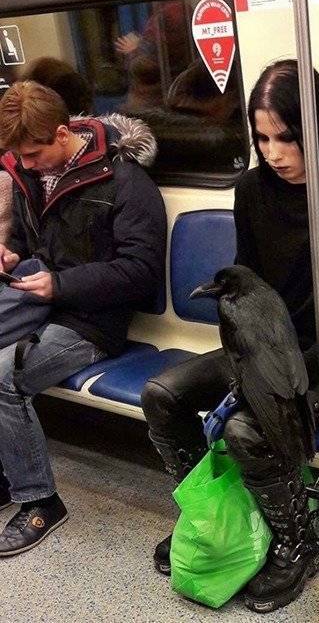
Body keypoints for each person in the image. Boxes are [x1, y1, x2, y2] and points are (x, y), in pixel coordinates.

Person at [141, 59, 319, 611]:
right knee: (162, 396)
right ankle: (218, 514)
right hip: (259, 349)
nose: (273, 153)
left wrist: (269, 383)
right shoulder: (250, 189)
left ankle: (299, 541)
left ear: (315, 130)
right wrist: (249, 364)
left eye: (287, 138)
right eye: (262, 138)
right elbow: (245, 286)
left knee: (247, 428)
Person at [0, 81, 166, 557]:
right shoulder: (33, 173)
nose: (26, 165)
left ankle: (40, 501)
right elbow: (33, 243)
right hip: (39, 296)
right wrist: (13, 255)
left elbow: (141, 272)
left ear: (61, 133)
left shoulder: (126, 183)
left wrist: (61, 285)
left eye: (33, 154)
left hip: (92, 320)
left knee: (4, 379)